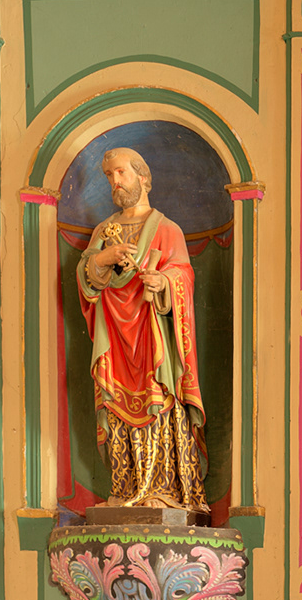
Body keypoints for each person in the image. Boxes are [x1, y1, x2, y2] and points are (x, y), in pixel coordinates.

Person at [77, 147, 207, 511]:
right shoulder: (105, 231)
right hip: (114, 340)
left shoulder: (166, 229)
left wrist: (163, 282)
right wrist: (103, 258)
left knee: (158, 403)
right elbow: (86, 279)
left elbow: (183, 275)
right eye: (109, 176)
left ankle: (162, 489)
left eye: (121, 173)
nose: (114, 182)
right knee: (117, 406)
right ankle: (125, 488)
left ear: (143, 177)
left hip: (152, 339)